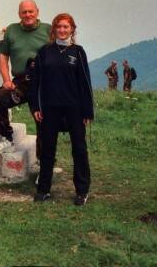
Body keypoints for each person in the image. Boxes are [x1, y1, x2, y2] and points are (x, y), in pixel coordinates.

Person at [29, 13, 94, 206]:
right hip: (50, 108)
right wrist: (36, 107)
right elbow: (36, 83)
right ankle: (44, 189)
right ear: (54, 29)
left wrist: (87, 111)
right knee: (48, 149)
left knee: (79, 149)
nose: (63, 30)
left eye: (66, 27)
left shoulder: (78, 52)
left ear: (72, 29)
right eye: (59, 27)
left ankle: (82, 191)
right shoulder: (44, 52)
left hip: (74, 108)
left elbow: (85, 83)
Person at [0, 0, 51, 158]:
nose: (28, 15)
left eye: (31, 11)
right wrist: (7, 80)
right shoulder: (11, 30)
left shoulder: (49, 30)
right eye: (24, 12)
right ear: (19, 14)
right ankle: (7, 138)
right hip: (21, 83)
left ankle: (44, 166)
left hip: (44, 83)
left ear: (37, 12)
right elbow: (3, 55)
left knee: (43, 122)